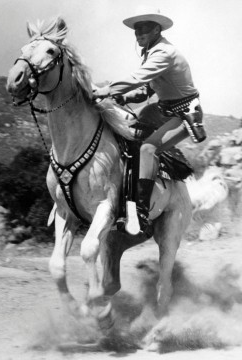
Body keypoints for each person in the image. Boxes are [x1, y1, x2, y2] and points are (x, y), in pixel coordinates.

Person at [93, 8, 207, 238]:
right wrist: (124, 97)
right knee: (125, 133)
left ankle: (141, 212)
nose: (139, 33)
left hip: (184, 114)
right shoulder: (151, 52)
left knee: (147, 148)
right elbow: (145, 89)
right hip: (162, 110)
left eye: (144, 28)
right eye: (137, 29)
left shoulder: (164, 53)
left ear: (157, 29)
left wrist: (104, 91)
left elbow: (137, 79)